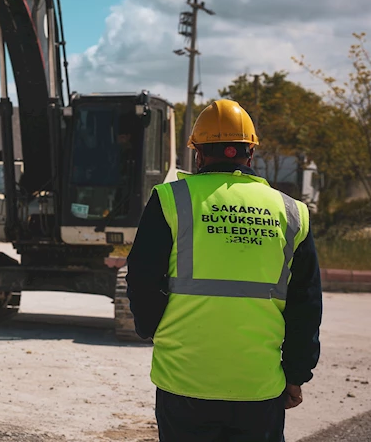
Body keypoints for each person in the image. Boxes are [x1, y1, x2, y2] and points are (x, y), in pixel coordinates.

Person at [125, 99, 322, 442]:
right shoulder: (292, 213)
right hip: (258, 386)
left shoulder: (171, 200)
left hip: (184, 380)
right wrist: (296, 374)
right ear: (250, 154)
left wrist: (152, 330)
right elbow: (306, 306)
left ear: (198, 154)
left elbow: (141, 280)